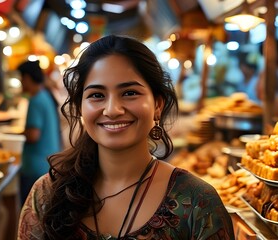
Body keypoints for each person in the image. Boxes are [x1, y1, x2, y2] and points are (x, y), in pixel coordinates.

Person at [17, 35, 235, 240]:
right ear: (81, 108)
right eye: (97, 95)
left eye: (130, 93)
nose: (112, 110)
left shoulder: (198, 202)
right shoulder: (48, 195)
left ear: (158, 105)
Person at [17, 60, 62, 204]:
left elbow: (33, 135)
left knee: (30, 211)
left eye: (21, 79)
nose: (21, 83)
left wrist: (15, 134)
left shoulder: (36, 100)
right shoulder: (45, 95)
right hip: (47, 164)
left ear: (28, 78)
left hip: (35, 167)